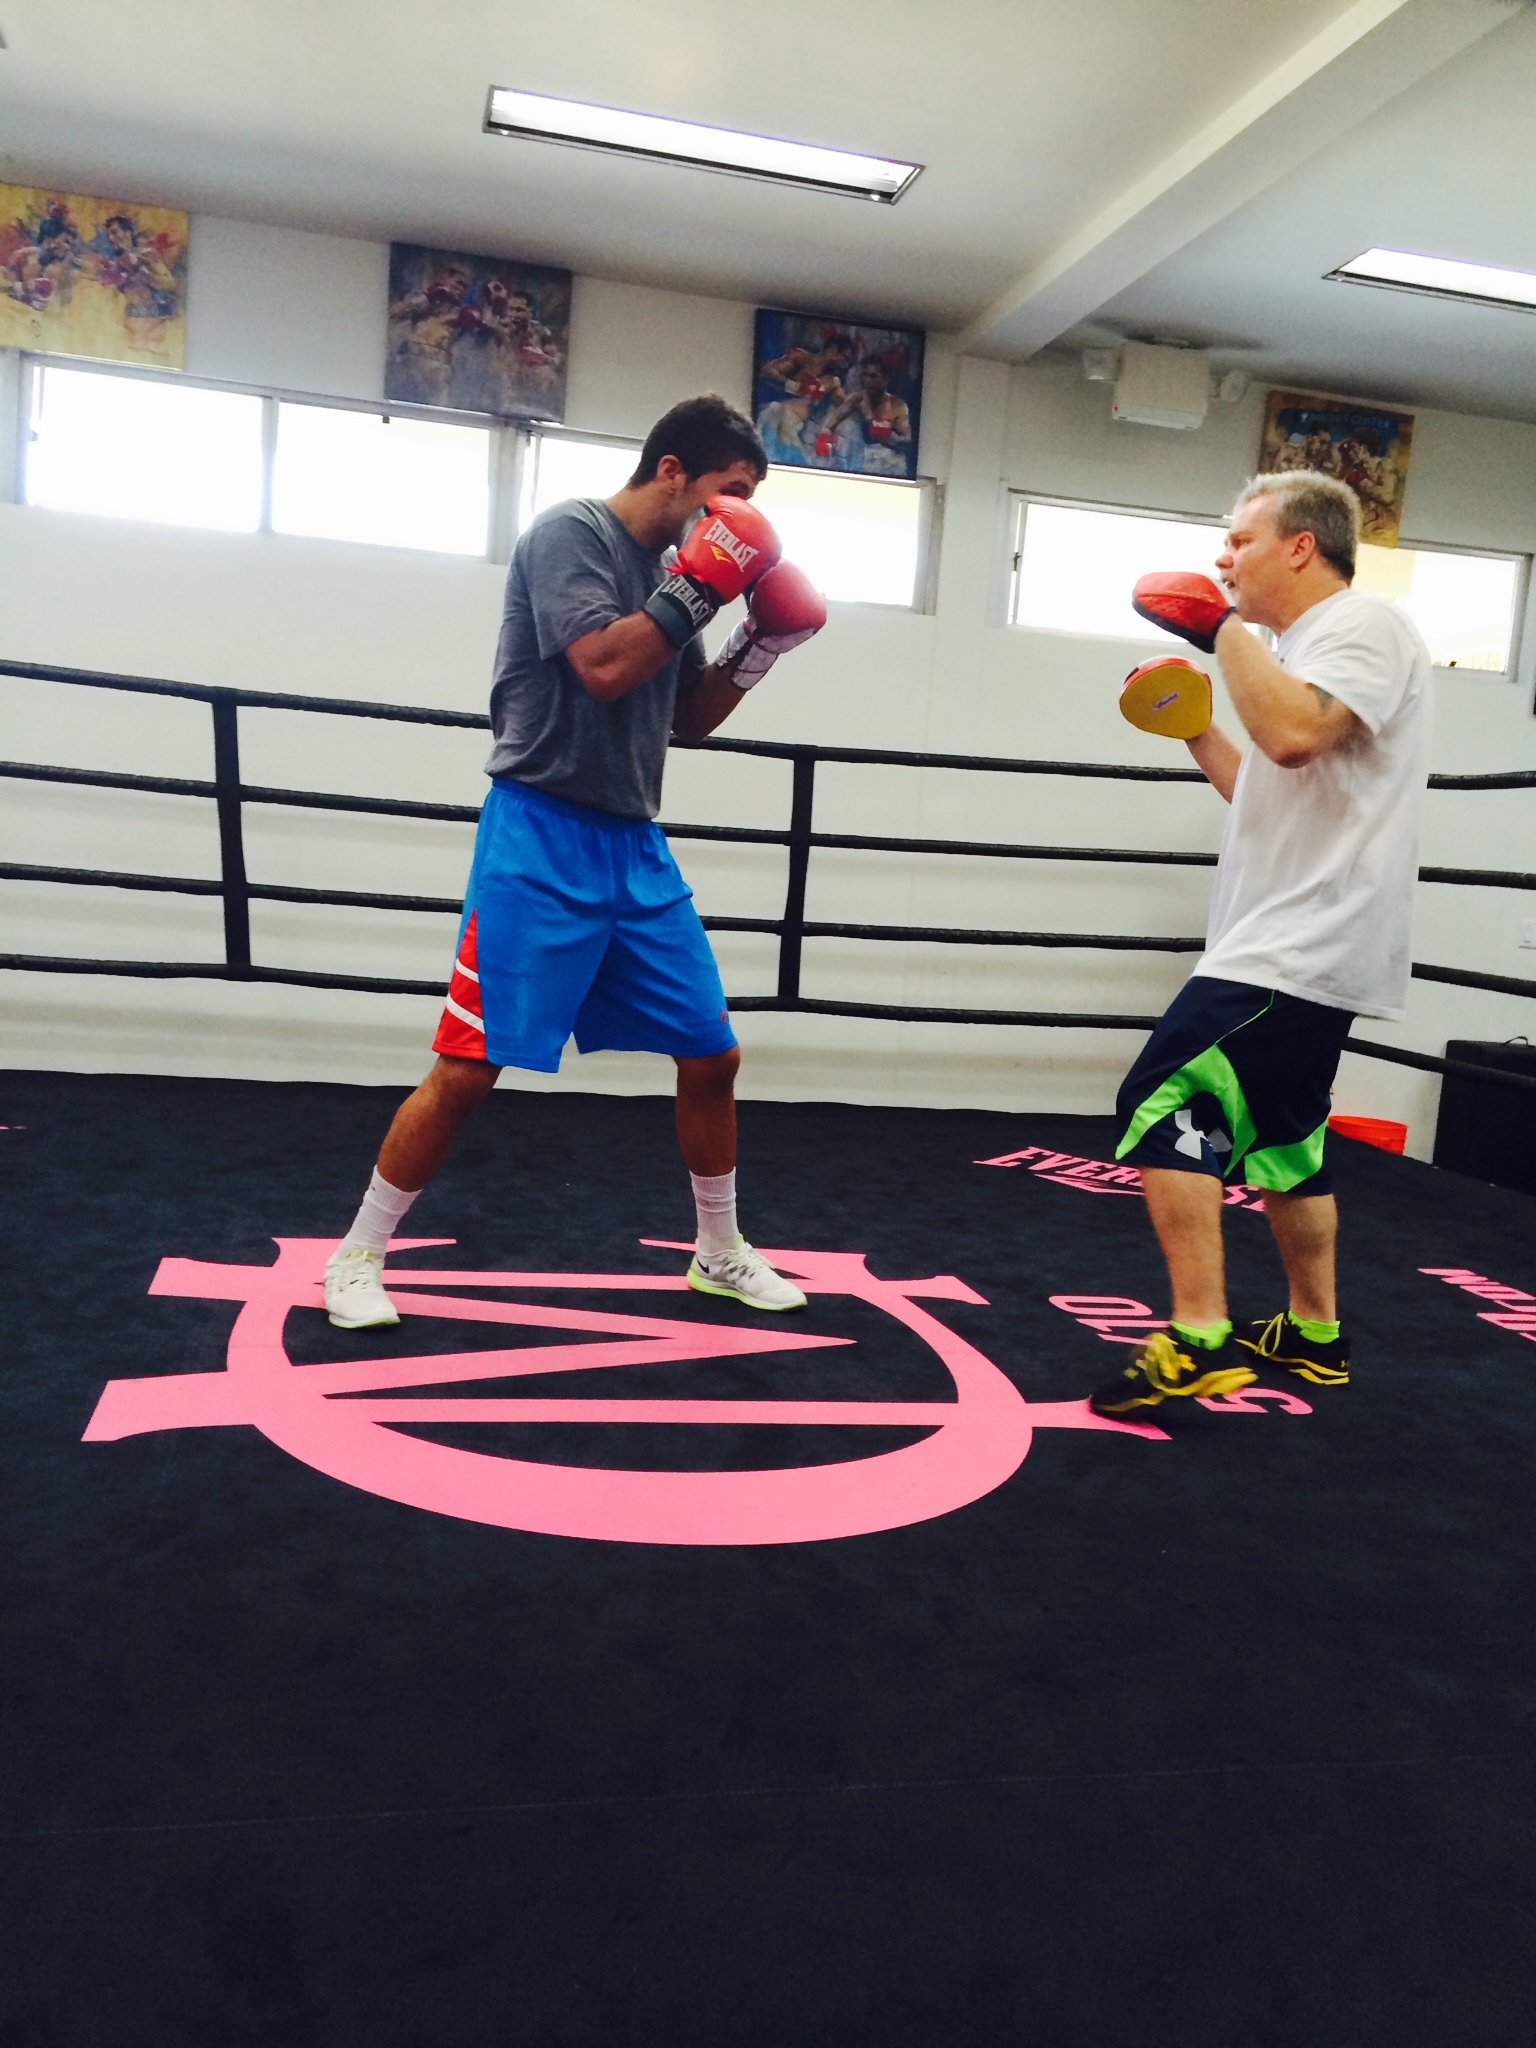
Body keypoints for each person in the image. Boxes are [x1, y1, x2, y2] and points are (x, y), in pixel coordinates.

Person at [324, 395, 826, 1331]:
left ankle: (718, 1251)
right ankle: (356, 1254)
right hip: (539, 833)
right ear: (671, 470)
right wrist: (701, 590)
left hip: (633, 845)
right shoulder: (572, 535)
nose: (737, 516)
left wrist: (758, 647)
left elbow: (686, 719)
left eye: (749, 501)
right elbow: (602, 666)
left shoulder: (680, 572)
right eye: (729, 491)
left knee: (712, 1053)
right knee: (469, 1068)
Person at [1088, 469, 1432, 1418]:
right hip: (1302, 934)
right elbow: (1271, 795)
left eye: (1240, 539)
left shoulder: (1361, 624)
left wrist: (1220, 630)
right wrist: (1199, 733)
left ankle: (1199, 1337)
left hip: (1298, 940)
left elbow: (1292, 736)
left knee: (1161, 1097)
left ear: (1301, 547)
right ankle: (1314, 1332)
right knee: (1285, 1145)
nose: (1222, 557)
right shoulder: (1299, 649)